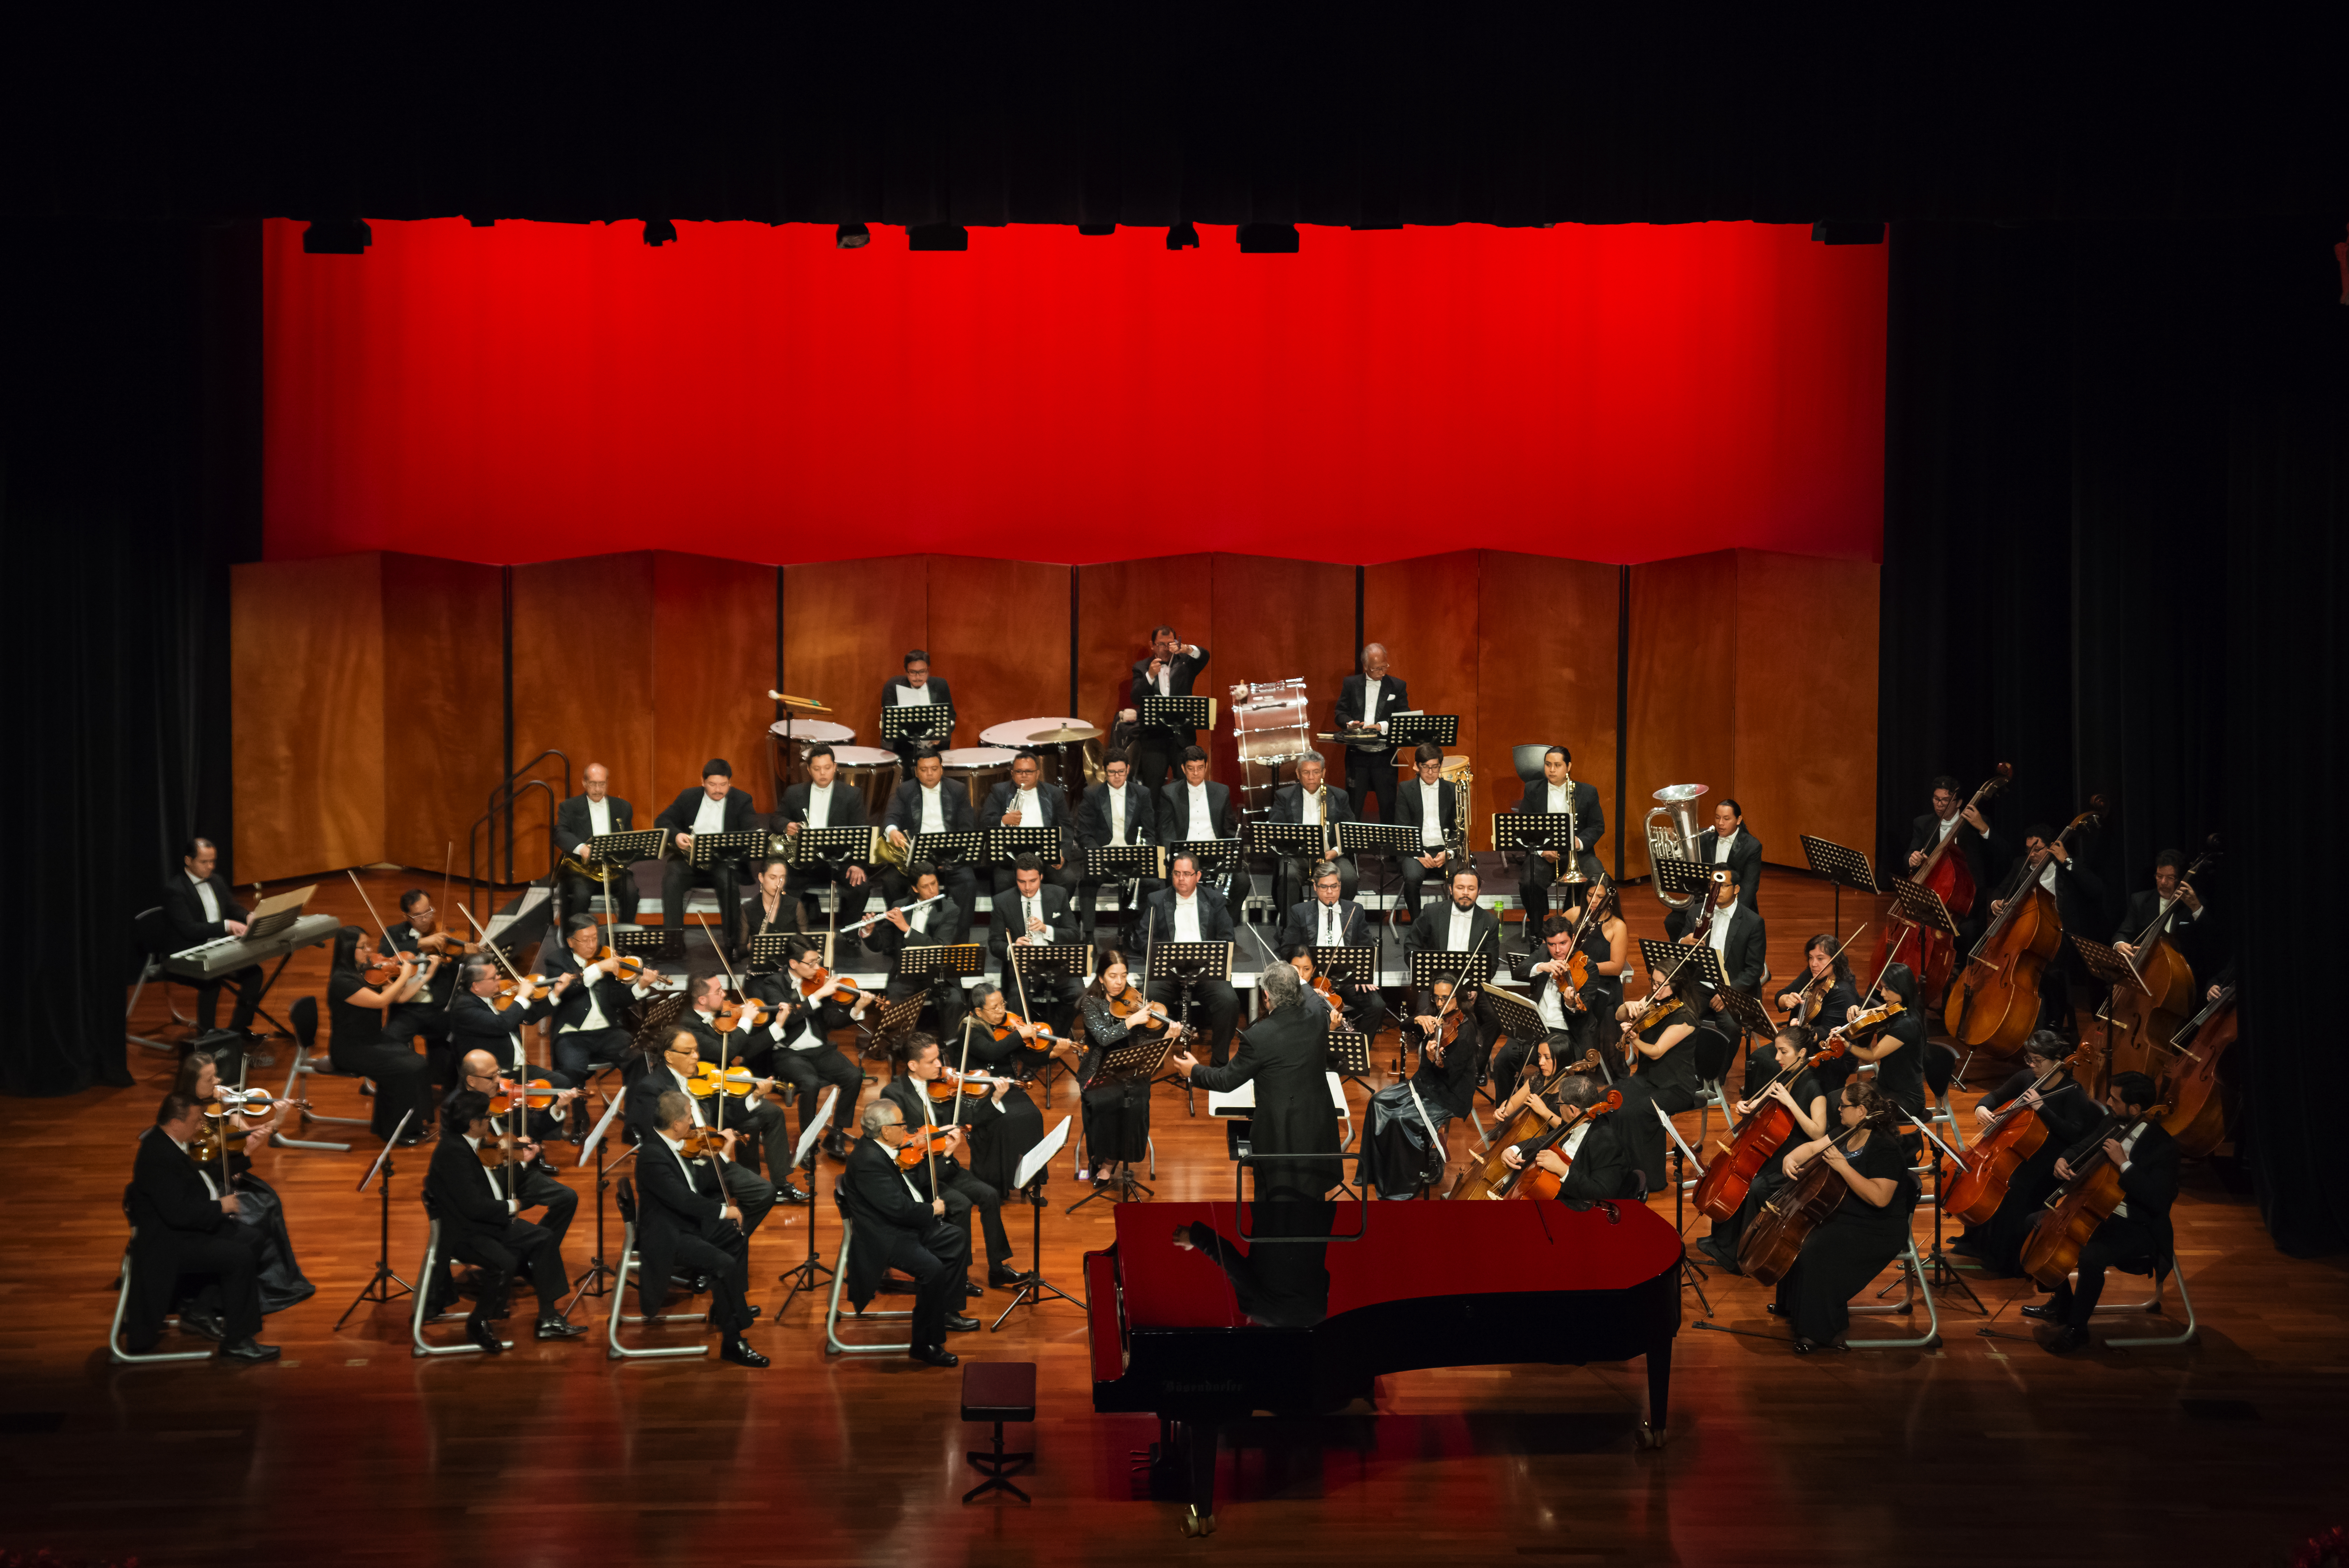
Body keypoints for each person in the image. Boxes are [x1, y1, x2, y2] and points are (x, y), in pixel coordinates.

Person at [2024, 1069, 2183, 1353]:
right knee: (2035, 1223)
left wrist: (2124, 1164)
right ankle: (2063, 1304)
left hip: (2137, 1224)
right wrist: (2064, 1159)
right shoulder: (2113, 1122)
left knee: (2092, 1256)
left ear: (2135, 1108)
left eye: (2115, 1099)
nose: (2108, 1103)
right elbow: (2085, 1145)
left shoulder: (2164, 1147)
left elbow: (2158, 1201)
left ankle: (2077, 1329)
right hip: (2095, 1211)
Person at [424, 1089, 587, 1352]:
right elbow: (474, 1206)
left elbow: (489, 1184)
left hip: (482, 1222)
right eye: (486, 1118)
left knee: (543, 1238)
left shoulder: (468, 1143)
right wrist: (516, 1205)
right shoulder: (453, 1154)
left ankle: (548, 1319)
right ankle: (479, 1321)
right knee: (505, 1263)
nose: (490, 1122)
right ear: (473, 1123)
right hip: (464, 1232)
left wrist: (518, 1161)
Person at [1769, 1080, 1921, 1353]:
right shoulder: (1847, 1132)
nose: (1838, 1110)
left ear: (1861, 1111)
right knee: (1799, 1232)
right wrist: (1790, 1159)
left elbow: (1880, 1198)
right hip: (1850, 1212)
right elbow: (1813, 1149)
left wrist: (1843, 1167)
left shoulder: (1884, 1148)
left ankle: (1820, 1332)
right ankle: (1793, 1307)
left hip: (1878, 1226)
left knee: (1816, 1247)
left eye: (1843, 1106)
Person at [123, 1093, 277, 1362]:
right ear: (175, 1123)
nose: (200, 1126)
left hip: (183, 1230)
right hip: (167, 1243)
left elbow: (201, 1176)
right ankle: (238, 1342)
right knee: (239, 1257)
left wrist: (244, 1153)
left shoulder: (172, 1143)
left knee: (252, 1238)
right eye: (195, 1121)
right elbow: (178, 1214)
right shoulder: (158, 1156)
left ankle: (202, 1307)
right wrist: (221, 1208)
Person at [1174, 962, 1339, 1202]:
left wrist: (1194, 1071)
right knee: (1313, 1200)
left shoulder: (1258, 1037)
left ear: (1266, 996)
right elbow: (1310, 994)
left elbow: (1226, 1081)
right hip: (1318, 1125)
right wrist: (1296, 979)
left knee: (1276, 1201)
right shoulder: (1318, 1015)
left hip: (1281, 1133)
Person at [837, 1098, 981, 1367]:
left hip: (899, 1225)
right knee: (932, 1269)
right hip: (885, 1236)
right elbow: (898, 1210)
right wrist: (932, 1210)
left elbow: (904, 1193)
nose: (907, 1129)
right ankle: (924, 1344)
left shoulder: (881, 1148)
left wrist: (940, 1156)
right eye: (901, 1125)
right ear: (885, 1131)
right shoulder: (869, 1161)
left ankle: (944, 1312)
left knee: (956, 1238)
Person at [881, 1032, 1031, 1291]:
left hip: (947, 1166)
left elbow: (971, 1119)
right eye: (931, 1062)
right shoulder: (894, 1093)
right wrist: (940, 1142)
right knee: (961, 1205)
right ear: (913, 1065)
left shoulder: (942, 1088)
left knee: (990, 1195)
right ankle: (958, 1275)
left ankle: (997, 1269)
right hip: (921, 1173)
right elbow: (898, 1141)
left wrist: (995, 1099)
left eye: (939, 1058)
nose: (940, 1065)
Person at [173, 1051, 313, 1314]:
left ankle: (274, 1282)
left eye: (216, 1075)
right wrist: (235, 1152)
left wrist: (276, 1121)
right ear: (192, 1083)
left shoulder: (223, 1106)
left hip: (230, 1173)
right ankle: (244, 1287)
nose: (218, 1082)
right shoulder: (185, 1116)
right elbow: (201, 1161)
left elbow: (247, 1143)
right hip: (206, 1185)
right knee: (255, 1215)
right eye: (209, 1079)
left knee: (269, 1201)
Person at [635, 1089, 767, 1366]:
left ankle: (727, 1308)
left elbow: (697, 1182)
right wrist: (725, 1211)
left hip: (684, 1222)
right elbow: (683, 1200)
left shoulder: (673, 1144)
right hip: (669, 1234)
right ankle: (734, 1341)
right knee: (724, 1263)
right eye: (688, 1118)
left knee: (736, 1236)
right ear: (676, 1124)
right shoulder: (652, 1156)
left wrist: (723, 1156)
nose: (693, 1123)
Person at [1951, 1030, 2097, 1275]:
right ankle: (1980, 1243)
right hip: (2022, 1153)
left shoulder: (2073, 1092)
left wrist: (2041, 1108)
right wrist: (1981, 1108)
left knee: (2012, 1189)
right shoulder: (2026, 1078)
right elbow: (1996, 1096)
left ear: (2058, 1061)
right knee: (1993, 1182)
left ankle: (2009, 1259)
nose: (2032, 1065)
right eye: (2030, 1059)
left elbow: (2074, 1133)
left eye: (2038, 1061)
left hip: (2051, 1161)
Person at [1695, 1025, 1834, 1271]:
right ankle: (1722, 1242)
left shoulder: (1814, 1088)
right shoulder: (1784, 1077)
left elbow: (1818, 1133)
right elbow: (1757, 1104)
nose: (1777, 1057)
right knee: (1739, 1177)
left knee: (1756, 1185)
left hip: (1795, 1155)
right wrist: (1746, 1107)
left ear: (1802, 1053)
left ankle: (1743, 1254)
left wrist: (1791, 1102)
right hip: (1773, 1146)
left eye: (1783, 1052)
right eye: (1777, 1050)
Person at [625, 1027, 783, 1234]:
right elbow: (655, 1139)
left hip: (711, 1158)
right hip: (688, 1166)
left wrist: (754, 1098)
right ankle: (718, 1238)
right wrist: (697, 1148)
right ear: (669, 1056)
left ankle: (732, 1238)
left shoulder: (698, 1081)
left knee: (764, 1192)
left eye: (696, 1051)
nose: (696, 1057)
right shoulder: (652, 1088)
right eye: (688, 1052)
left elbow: (721, 1117)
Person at [1355, 974, 1485, 1198]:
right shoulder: (1434, 1014)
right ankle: (1376, 1172)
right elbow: (1404, 1024)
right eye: (1437, 998)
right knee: (1377, 1102)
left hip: (1449, 1094)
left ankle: (1402, 1185)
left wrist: (1434, 1058)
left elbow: (1450, 1075)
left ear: (1459, 998)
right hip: (1424, 1082)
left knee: (1400, 1120)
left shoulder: (1466, 1030)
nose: (1441, 1004)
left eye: (1446, 998)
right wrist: (1418, 1020)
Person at [739, 934, 865, 1163]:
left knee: (854, 1076)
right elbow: (788, 1020)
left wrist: (857, 1009)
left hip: (818, 1048)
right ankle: (808, 1142)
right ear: (794, 963)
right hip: (788, 1052)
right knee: (810, 1084)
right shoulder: (773, 984)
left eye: (818, 961)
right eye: (812, 963)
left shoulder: (819, 981)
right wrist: (818, 996)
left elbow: (831, 1020)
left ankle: (836, 1134)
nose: (818, 968)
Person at [1983, 822, 2107, 1039]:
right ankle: (2015, 1017)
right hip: (2028, 931)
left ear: (2051, 847)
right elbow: (2001, 890)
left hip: (2063, 935)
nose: (2031, 855)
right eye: (2028, 850)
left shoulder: (2068, 866)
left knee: (2050, 968)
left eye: (2037, 850)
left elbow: (2096, 889)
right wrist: (1996, 903)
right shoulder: (2020, 865)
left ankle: (2053, 1023)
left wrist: (2066, 861)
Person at [451, 1049, 581, 1251]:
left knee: (567, 1198)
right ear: (472, 1081)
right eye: (491, 1077)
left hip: (515, 1172)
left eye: (499, 1073)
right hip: (488, 1181)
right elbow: (473, 1153)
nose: (499, 1081)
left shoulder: (501, 1098)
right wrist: (510, 1147)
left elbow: (534, 1127)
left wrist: (558, 1108)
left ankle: (541, 1251)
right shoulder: (457, 1108)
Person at [1076, 950, 1186, 1186]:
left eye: (1124, 976)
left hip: (1131, 1071)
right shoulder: (1091, 1003)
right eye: (1113, 976)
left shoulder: (1136, 1002)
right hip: (1099, 1071)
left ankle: (1109, 1163)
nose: (1119, 982)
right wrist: (1131, 1022)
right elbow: (1103, 1038)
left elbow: (1147, 1048)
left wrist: (1169, 1036)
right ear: (1101, 978)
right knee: (1104, 1103)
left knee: (1135, 1100)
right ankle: (1100, 1155)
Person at [323, 925, 437, 1144]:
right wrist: (404, 975)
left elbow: (399, 998)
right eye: (363, 946)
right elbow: (381, 1002)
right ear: (349, 949)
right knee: (404, 1069)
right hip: (351, 1049)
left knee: (418, 1063)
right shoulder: (342, 981)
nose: (370, 950)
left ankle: (407, 1124)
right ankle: (398, 1133)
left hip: (373, 1040)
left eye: (369, 944)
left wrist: (426, 976)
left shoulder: (366, 972)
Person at [1142, 852, 1242, 1065]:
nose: (1181, 879)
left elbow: (1227, 938)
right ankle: (1151, 1061)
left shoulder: (1214, 900)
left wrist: (1211, 959)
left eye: (1187, 874)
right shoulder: (1157, 900)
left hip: (1205, 970)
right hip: (1168, 972)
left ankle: (1220, 1064)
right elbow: (1144, 938)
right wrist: (1159, 955)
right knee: (1148, 1000)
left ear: (1198, 876)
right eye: (1177, 873)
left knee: (1229, 1001)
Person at [656, 759, 761, 959]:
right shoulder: (688, 796)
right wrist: (677, 835)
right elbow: (663, 820)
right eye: (712, 784)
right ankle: (673, 943)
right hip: (689, 861)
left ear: (730, 783)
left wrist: (753, 835)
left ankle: (732, 944)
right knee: (672, 878)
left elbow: (751, 828)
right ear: (703, 782)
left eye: (723, 785)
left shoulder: (742, 800)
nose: (718, 790)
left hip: (723, 861)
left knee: (728, 882)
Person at [158, 836, 261, 1039]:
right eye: (204, 862)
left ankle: (236, 1032)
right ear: (188, 861)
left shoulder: (217, 881)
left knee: (254, 974)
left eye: (213, 861)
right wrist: (227, 926)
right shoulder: (175, 890)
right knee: (211, 980)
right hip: (184, 955)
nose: (211, 867)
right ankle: (207, 1039)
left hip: (216, 947)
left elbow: (231, 907)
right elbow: (189, 930)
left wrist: (247, 916)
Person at [542, 913, 659, 1085]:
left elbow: (617, 999)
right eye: (586, 940)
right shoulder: (557, 961)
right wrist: (598, 968)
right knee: (571, 1070)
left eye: (595, 938)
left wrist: (640, 986)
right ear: (571, 942)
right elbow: (568, 991)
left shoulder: (606, 956)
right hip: (572, 1035)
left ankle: (636, 1103)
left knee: (638, 1058)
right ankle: (576, 1101)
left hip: (608, 1032)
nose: (592, 945)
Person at [378, 888, 476, 1093]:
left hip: (438, 1007)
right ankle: (397, 1088)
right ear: (406, 916)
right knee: (389, 1041)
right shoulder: (394, 933)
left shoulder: (445, 935)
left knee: (455, 1043)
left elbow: (456, 972)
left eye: (428, 912)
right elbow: (386, 953)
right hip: (406, 1008)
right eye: (418, 916)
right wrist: (421, 943)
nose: (426, 919)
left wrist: (464, 957)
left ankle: (446, 1090)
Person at [1612, 972, 1700, 1197]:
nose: (1655, 988)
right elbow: (1619, 1015)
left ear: (1676, 985)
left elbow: (1656, 1052)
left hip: (1675, 1087)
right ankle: (1619, 1168)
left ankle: (1649, 1180)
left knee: (1636, 1112)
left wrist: (1635, 1039)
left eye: (1662, 984)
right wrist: (1628, 1005)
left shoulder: (1685, 1019)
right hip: (1647, 1079)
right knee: (1610, 1100)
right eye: (1653, 982)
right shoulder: (1654, 1001)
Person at [1496, 1068, 1641, 1203]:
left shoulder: (1607, 1143)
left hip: (1579, 1208)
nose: (1559, 1108)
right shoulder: (1572, 1123)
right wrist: (1514, 1150)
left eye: (1560, 1104)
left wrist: (1563, 1170)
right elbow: (1545, 1140)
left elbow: (1603, 1193)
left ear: (1572, 1110)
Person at [1663, 865, 1766, 1046]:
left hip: (1733, 987)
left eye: (1723, 885)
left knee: (1731, 1027)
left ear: (1736, 889)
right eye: (1712, 885)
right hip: (1701, 983)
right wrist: (1684, 942)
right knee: (1678, 1016)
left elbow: (1754, 970)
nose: (1716, 890)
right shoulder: (1697, 912)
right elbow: (1681, 950)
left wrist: (1728, 993)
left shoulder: (1753, 922)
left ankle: (1720, 1065)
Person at [775, 742, 876, 927]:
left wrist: (857, 864)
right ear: (809, 770)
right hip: (804, 864)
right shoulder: (794, 793)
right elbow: (776, 819)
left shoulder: (852, 794)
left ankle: (849, 934)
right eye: (817, 769)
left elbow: (862, 831)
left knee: (861, 887)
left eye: (827, 768)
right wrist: (786, 825)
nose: (823, 773)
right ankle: (789, 933)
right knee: (779, 881)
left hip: (839, 862)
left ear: (835, 767)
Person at [869, 862, 973, 1038]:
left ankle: (952, 1047)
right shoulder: (899, 906)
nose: (933, 891)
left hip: (939, 974)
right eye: (926, 886)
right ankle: (902, 1048)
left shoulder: (951, 910)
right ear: (915, 888)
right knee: (895, 1003)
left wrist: (906, 929)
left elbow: (939, 946)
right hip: (907, 974)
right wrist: (869, 932)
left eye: (934, 884)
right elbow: (881, 944)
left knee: (955, 1000)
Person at [1490, 914, 1584, 1104]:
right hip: (1536, 1027)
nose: (1558, 950)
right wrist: (1542, 967)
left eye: (1563, 943)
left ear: (1573, 939)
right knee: (1502, 1061)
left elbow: (1586, 1010)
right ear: (1545, 942)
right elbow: (1518, 971)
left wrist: (1570, 1004)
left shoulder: (1586, 964)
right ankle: (1505, 1113)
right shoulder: (1544, 953)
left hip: (1565, 1034)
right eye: (1552, 945)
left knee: (1556, 1068)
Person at [1073, 746, 1164, 942]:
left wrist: (1142, 851)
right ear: (1105, 771)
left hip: (1132, 858)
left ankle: (1136, 932)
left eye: (1121, 772)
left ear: (1128, 769)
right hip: (1103, 857)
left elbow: (1150, 833)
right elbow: (1084, 834)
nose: (1117, 777)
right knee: (1088, 880)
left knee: (1152, 883)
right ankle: (1089, 935)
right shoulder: (1092, 793)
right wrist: (1098, 854)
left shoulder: (1142, 794)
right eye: (1112, 772)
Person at [987, 854, 1085, 1035]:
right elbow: (994, 943)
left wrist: (1047, 929)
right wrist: (1012, 947)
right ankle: (1022, 1041)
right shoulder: (1002, 901)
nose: (1028, 887)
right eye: (1022, 882)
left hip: (1058, 964)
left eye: (1033, 881)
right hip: (1024, 966)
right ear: (1016, 879)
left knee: (1079, 994)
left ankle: (1054, 1035)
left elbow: (1073, 935)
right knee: (1016, 997)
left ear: (1041, 876)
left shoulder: (1059, 894)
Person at [878, 749, 982, 916]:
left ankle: (960, 932)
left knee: (968, 882)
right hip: (915, 857)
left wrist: (954, 852)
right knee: (891, 882)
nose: (930, 774)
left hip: (950, 855)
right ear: (916, 772)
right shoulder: (904, 790)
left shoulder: (958, 789)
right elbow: (891, 816)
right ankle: (902, 927)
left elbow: (967, 826)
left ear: (942, 769)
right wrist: (893, 831)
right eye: (924, 769)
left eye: (934, 769)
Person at [1508, 745, 1606, 919]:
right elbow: (1524, 827)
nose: (1552, 770)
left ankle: (1573, 920)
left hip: (1579, 855)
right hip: (1544, 855)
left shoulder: (1588, 792)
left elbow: (1597, 826)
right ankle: (1538, 926)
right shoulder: (1532, 789)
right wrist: (1541, 850)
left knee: (1598, 879)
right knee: (1529, 883)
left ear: (1569, 767)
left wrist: (1579, 842)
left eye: (1557, 765)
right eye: (1548, 765)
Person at [1906, 775, 1996, 953]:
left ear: (1959, 802)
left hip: (1966, 900)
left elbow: (2000, 854)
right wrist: (1912, 858)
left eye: (1945, 800)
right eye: (1936, 799)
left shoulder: (1976, 824)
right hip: (1932, 895)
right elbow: (1911, 852)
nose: (1939, 804)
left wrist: (1983, 829)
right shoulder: (1922, 823)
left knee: (1967, 933)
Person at [447, 956, 566, 1089]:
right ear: (477, 986)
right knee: (555, 1087)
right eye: (493, 978)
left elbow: (529, 1017)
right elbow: (502, 1025)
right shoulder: (464, 1008)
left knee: (562, 1083)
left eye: (498, 974)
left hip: (517, 1071)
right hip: (493, 1078)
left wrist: (555, 993)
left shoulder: (492, 998)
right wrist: (522, 997)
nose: (499, 978)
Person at [1831, 961, 1930, 1122]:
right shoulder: (1896, 1008)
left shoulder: (1908, 1024)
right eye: (1882, 988)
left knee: (1849, 1110)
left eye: (1887, 989)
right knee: (1835, 1099)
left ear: (1902, 989)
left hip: (1904, 1099)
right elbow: (1870, 1014)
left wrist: (1846, 1045)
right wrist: (1855, 1010)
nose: (1883, 994)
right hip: (1885, 1088)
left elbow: (1872, 1056)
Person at [978, 750, 1082, 900]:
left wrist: (1062, 855)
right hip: (1011, 859)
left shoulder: (1054, 793)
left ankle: (1052, 915)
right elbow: (984, 822)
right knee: (1002, 883)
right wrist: (1003, 820)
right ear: (1012, 773)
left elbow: (1066, 827)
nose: (1024, 775)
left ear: (1038, 773)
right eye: (1019, 771)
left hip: (1044, 857)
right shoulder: (999, 791)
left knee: (1068, 880)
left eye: (1029, 772)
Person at [1118, 625, 1210, 793]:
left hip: (1183, 738)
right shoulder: (1142, 667)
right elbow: (1135, 697)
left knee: (1186, 788)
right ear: (1152, 645)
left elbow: (1205, 656)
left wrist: (1186, 649)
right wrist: (1150, 676)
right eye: (1161, 644)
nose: (1166, 648)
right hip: (1154, 739)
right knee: (1152, 789)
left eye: (1170, 644)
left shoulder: (1186, 663)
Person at [1267, 749, 1357, 910]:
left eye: (1316, 772)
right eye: (1306, 772)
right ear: (1298, 773)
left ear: (1323, 773)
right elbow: (1275, 832)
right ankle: (1292, 921)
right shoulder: (1284, 796)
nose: (1311, 777)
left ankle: (1338, 918)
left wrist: (1335, 852)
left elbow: (1350, 833)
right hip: (1297, 856)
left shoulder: (1339, 796)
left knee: (1349, 877)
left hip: (1331, 856)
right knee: (1288, 876)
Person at [554, 762, 641, 924]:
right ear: (584, 783)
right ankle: (577, 934)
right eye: (593, 784)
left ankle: (624, 932)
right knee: (581, 896)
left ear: (607, 783)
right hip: (582, 870)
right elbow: (560, 833)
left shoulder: (623, 807)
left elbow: (628, 838)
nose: (598, 789)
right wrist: (581, 848)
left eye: (602, 784)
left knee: (631, 893)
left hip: (613, 869)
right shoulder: (569, 807)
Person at [1776, 935, 1862, 1095]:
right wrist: (1786, 999)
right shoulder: (1811, 975)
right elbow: (1782, 994)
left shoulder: (1843, 992)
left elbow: (1826, 1031)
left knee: (1769, 1063)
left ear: (1835, 960)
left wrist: (1803, 1032)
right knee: (1762, 1058)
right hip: (1802, 1044)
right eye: (1811, 958)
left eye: (1821, 959)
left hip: (1828, 1056)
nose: (1814, 964)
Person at [1333, 642, 1408, 823]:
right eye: (1377, 669)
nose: (1382, 672)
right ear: (1366, 666)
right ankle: (1351, 842)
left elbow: (1404, 717)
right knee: (1353, 806)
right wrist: (1349, 723)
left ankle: (1390, 842)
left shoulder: (1397, 686)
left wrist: (1381, 726)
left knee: (1388, 806)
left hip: (1385, 756)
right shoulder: (1351, 684)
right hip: (1357, 755)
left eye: (1385, 667)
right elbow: (1340, 713)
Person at [1154, 746, 1238, 899]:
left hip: (1216, 855)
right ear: (1183, 768)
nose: (1196, 773)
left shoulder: (1222, 791)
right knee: (1170, 881)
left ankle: (1222, 915)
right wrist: (1172, 857)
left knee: (1242, 882)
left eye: (1200, 768)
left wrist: (1232, 853)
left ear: (1206, 767)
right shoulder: (1170, 793)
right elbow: (1166, 830)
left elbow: (1229, 829)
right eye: (1191, 768)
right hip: (1184, 856)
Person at [1393, 743, 1460, 918]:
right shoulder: (1406, 789)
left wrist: (1449, 853)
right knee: (1412, 878)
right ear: (1417, 766)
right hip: (1416, 851)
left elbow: (1459, 829)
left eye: (1435, 767)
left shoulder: (1452, 789)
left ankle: (1451, 922)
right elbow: (1402, 828)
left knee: (1460, 877)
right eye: (1426, 767)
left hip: (1445, 851)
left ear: (1441, 766)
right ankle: (1417, 924)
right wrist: (1419, 854)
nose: (1431, 772)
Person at [2114, 848, 2209, 964]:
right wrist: (2120, 944)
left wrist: (2196, 908)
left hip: (2181, 968)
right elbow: (2123, 934)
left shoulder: (2194, 904)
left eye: (2170, 878)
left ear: (2181, 879)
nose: (2163, 882)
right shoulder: (2140, 901)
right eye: (2160, 876)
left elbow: (2209, 939)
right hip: (2145, 966)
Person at [879, 648, 955, 765]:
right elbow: (889, 719)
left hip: (935, 750)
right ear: (906, 672)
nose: (918, 677)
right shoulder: (893, 686)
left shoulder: (941, 685)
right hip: (904, 750)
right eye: (913, 672)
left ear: (928, 670)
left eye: (922, 672)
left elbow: (951, 717)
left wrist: (940, 733)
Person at [1689, 797, 1763, 914]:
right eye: (1717, 818)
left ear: (1738, 820)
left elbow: (1749, 886)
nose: (1720, 823)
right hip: (1705, 902)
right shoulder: (1704, 838)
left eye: (1726, 819)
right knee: (1672, 921)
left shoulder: (1752, 846)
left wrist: (1731, 911)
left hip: (1737, 903)